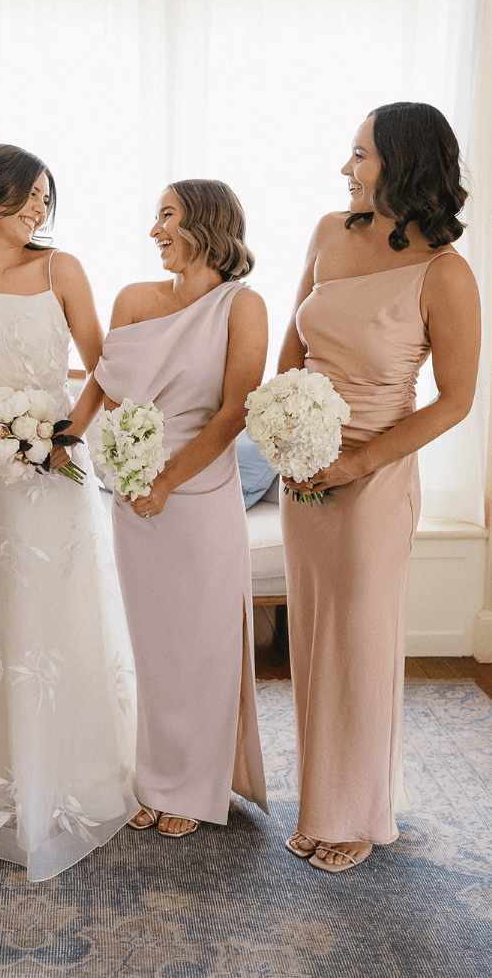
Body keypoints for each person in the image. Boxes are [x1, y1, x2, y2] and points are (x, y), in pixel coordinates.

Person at [279, 102, 481, 873]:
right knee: (314, 638)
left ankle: (356, 812)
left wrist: (355, 464)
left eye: (359, 155)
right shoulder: (331, 231)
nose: (346, 169)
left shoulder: (446, 274)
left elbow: (455, 400)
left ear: (402, 164)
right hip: (307, 467)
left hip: (375, 474)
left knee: (359, 642)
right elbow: (293, 347)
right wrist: (288, 434)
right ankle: (323, 798)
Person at [0, 143, 138, 882]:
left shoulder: (62, 269)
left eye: (48, 200)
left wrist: (59, 437)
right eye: (29, 198)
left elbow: (105, 364)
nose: (40, 211)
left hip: (51, 463)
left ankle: (66, 768)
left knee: (53, 612)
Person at [94, 179, 269, 839]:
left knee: (202, 644)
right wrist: (122, 463)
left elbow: (233, 413)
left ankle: (195, 788)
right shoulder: (135, 299)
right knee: (149, 644)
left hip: (196, 493)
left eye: (165, 215)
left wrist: (165, 480)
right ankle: (150, 778)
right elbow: (109, 391)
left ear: (204, 221)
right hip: (132, 492)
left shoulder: (242, 305)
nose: (154, 230)